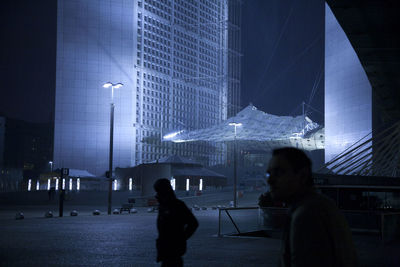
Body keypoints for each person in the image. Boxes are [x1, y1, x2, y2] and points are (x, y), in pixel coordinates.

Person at [266, 147, 357, 267]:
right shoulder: (322, 205)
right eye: (268, 174)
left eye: (278, 173)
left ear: (302, 176)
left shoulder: (307, 215)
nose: (270, 180)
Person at [154, 178, 198, 267]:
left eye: (159, 191)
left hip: (173, 251)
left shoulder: (177, 206)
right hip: (166, 250)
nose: (157, 194)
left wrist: (181, 238)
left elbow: (193, 223)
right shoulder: (163, 206)